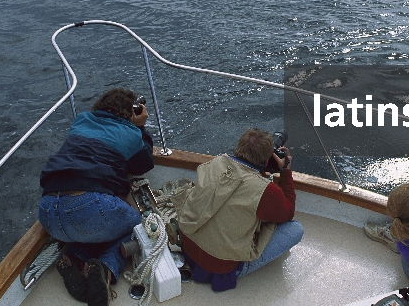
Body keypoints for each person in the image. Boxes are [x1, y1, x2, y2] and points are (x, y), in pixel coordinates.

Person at [38, 88, 153, 306]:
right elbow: (144, 163)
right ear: (132, 112)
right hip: (88, 207)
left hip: (48, 211)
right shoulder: (129, 133)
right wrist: (141, 127)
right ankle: (106, 267)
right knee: (136, 225)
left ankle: (74, 257)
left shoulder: (81, 121)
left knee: (94, 224)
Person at [177, 128, 304, 291]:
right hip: (220, 268)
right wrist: (285, 171)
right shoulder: (266, 191)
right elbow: (287, 213)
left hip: (189, 247)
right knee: (295, 229)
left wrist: (262, 168)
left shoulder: (216, 162)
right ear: (266, 160)